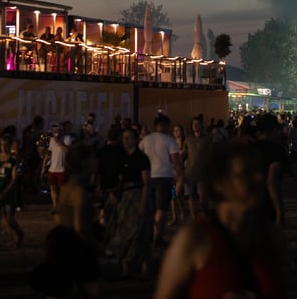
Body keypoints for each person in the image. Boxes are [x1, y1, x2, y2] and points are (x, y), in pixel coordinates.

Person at [153, 143, 285, 299]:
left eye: (259, 170)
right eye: (246, 173)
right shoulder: (195, 240)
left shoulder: (272, 236)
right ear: (220, 183)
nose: (259, 178)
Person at [29, 143, 102, 299]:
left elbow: (59, 216)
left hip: (63, 243)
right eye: (92, 158)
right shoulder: (78, 191)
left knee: (60, 288)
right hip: (76, 246)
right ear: (83, 163)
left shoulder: (67, 187)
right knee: (91, 290)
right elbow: (79, 227)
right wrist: (96, 245)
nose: (95, 161)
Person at [104, 127, 151, 280]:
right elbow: (118, 179)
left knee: (140, 231)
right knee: (122, 229)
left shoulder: (142, 158)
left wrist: (144, 202)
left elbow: (146, 182)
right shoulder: (121, 158)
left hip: (137, 195)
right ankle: (125, 266)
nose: (126, 141)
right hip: (124, 197)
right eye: (124, 138)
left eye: (129, 138)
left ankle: (144, 266)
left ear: (136, 139)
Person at [139, 114, 184, 246]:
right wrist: (180, 175)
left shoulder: (146, 140)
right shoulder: (170, 140)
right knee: (162, 209)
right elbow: (175, 160)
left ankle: (149, 235)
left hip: (148, 178)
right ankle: (157, 237)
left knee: (151, 209)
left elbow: (139, 156)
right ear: (166, 125)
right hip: (164, 178)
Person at [0, 133, 24, 250]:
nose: (3, 147)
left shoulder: (13, 160)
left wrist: (5, 192)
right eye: (1, 145)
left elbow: (14, 179)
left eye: (6, 145)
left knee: (9, 219)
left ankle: (19, 232)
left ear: (10, 146)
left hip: (8, 193)